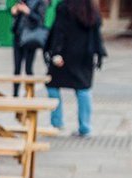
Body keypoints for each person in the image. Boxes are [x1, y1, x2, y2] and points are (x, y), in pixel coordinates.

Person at [46, 0, 107, 137]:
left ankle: (57, 122)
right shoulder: (91, 8)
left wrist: (55, 52)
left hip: (65, 55)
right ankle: (85, 127)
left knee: (52, 86)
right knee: (83, 89)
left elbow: (59, 31)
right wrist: (97, 53)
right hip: (85, 56)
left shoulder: (64, 7)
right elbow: (96, 32)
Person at [10, 0, 47, 96]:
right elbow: (18, 20)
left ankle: (30, 93)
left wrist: (28, 11)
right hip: (18, 37)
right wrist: (14, 12)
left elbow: (40, 20)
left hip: (30, 39)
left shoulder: (39, 2)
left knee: (28, 69)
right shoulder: (21, 1)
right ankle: (15, 94)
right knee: (17, 69)